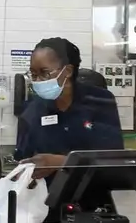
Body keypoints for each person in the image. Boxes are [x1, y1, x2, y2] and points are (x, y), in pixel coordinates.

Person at [14, 36, 124, 174]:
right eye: (34, 74)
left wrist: (61, 162)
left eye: (45, 73)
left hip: (93, 184)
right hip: (48, 187)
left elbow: (113, 159)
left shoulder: (98, 101)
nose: (38, 81)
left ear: (67, 71)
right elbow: (22, 159)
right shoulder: (33, 108)